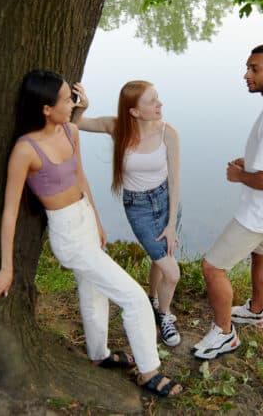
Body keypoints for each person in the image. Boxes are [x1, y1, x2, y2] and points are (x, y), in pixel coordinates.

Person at [0, 70, 182, 397]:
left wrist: (98, 221)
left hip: (86, 219)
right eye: (66, 99)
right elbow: (10, 211)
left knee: (93, 290)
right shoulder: (25, 150)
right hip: (68, 235)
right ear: (46, 108)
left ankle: (99, 354)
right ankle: (149, 371)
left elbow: (81, 180)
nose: (72, 103)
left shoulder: (70, 131)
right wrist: (7, 268)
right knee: (135, 300)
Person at [191, 44, 263, 360]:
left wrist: (239, 175)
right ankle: (257, 311)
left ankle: (224, 334)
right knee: (262, 252)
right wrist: (254, 159)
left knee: (213, 267)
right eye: (248, 67)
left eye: (255, 69)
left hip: (259, 212)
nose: (247, 75)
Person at [72, 80, 182, 347]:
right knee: (172, 272)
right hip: (139, 208)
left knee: (162, 259)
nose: (160, 104)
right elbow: (77, 124)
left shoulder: (168, 133)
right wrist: (82, 107)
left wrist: (170, 225)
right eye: (152, 101)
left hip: (166, 202)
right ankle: (165, 316)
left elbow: (176, 182)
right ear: (134, 111)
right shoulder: (116, 127)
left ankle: (155, 300)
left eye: (158, 98)